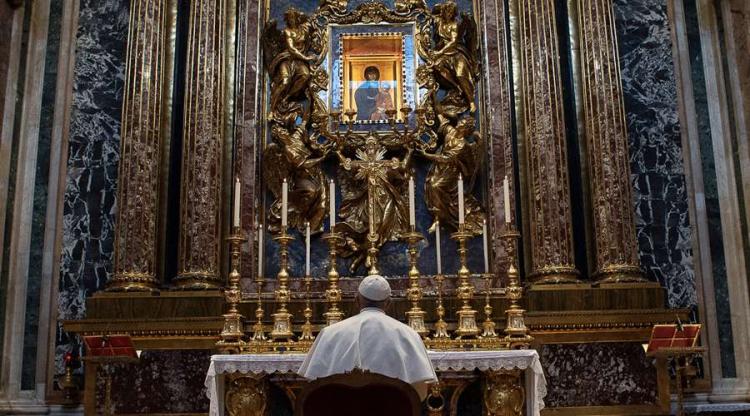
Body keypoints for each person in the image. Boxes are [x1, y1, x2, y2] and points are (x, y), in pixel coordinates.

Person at [298, 274, 438, 400]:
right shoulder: (408, 335)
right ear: (388, 303)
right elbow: (418, 393)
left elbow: (315, 387)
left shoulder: (329, 333)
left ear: (357, 301)